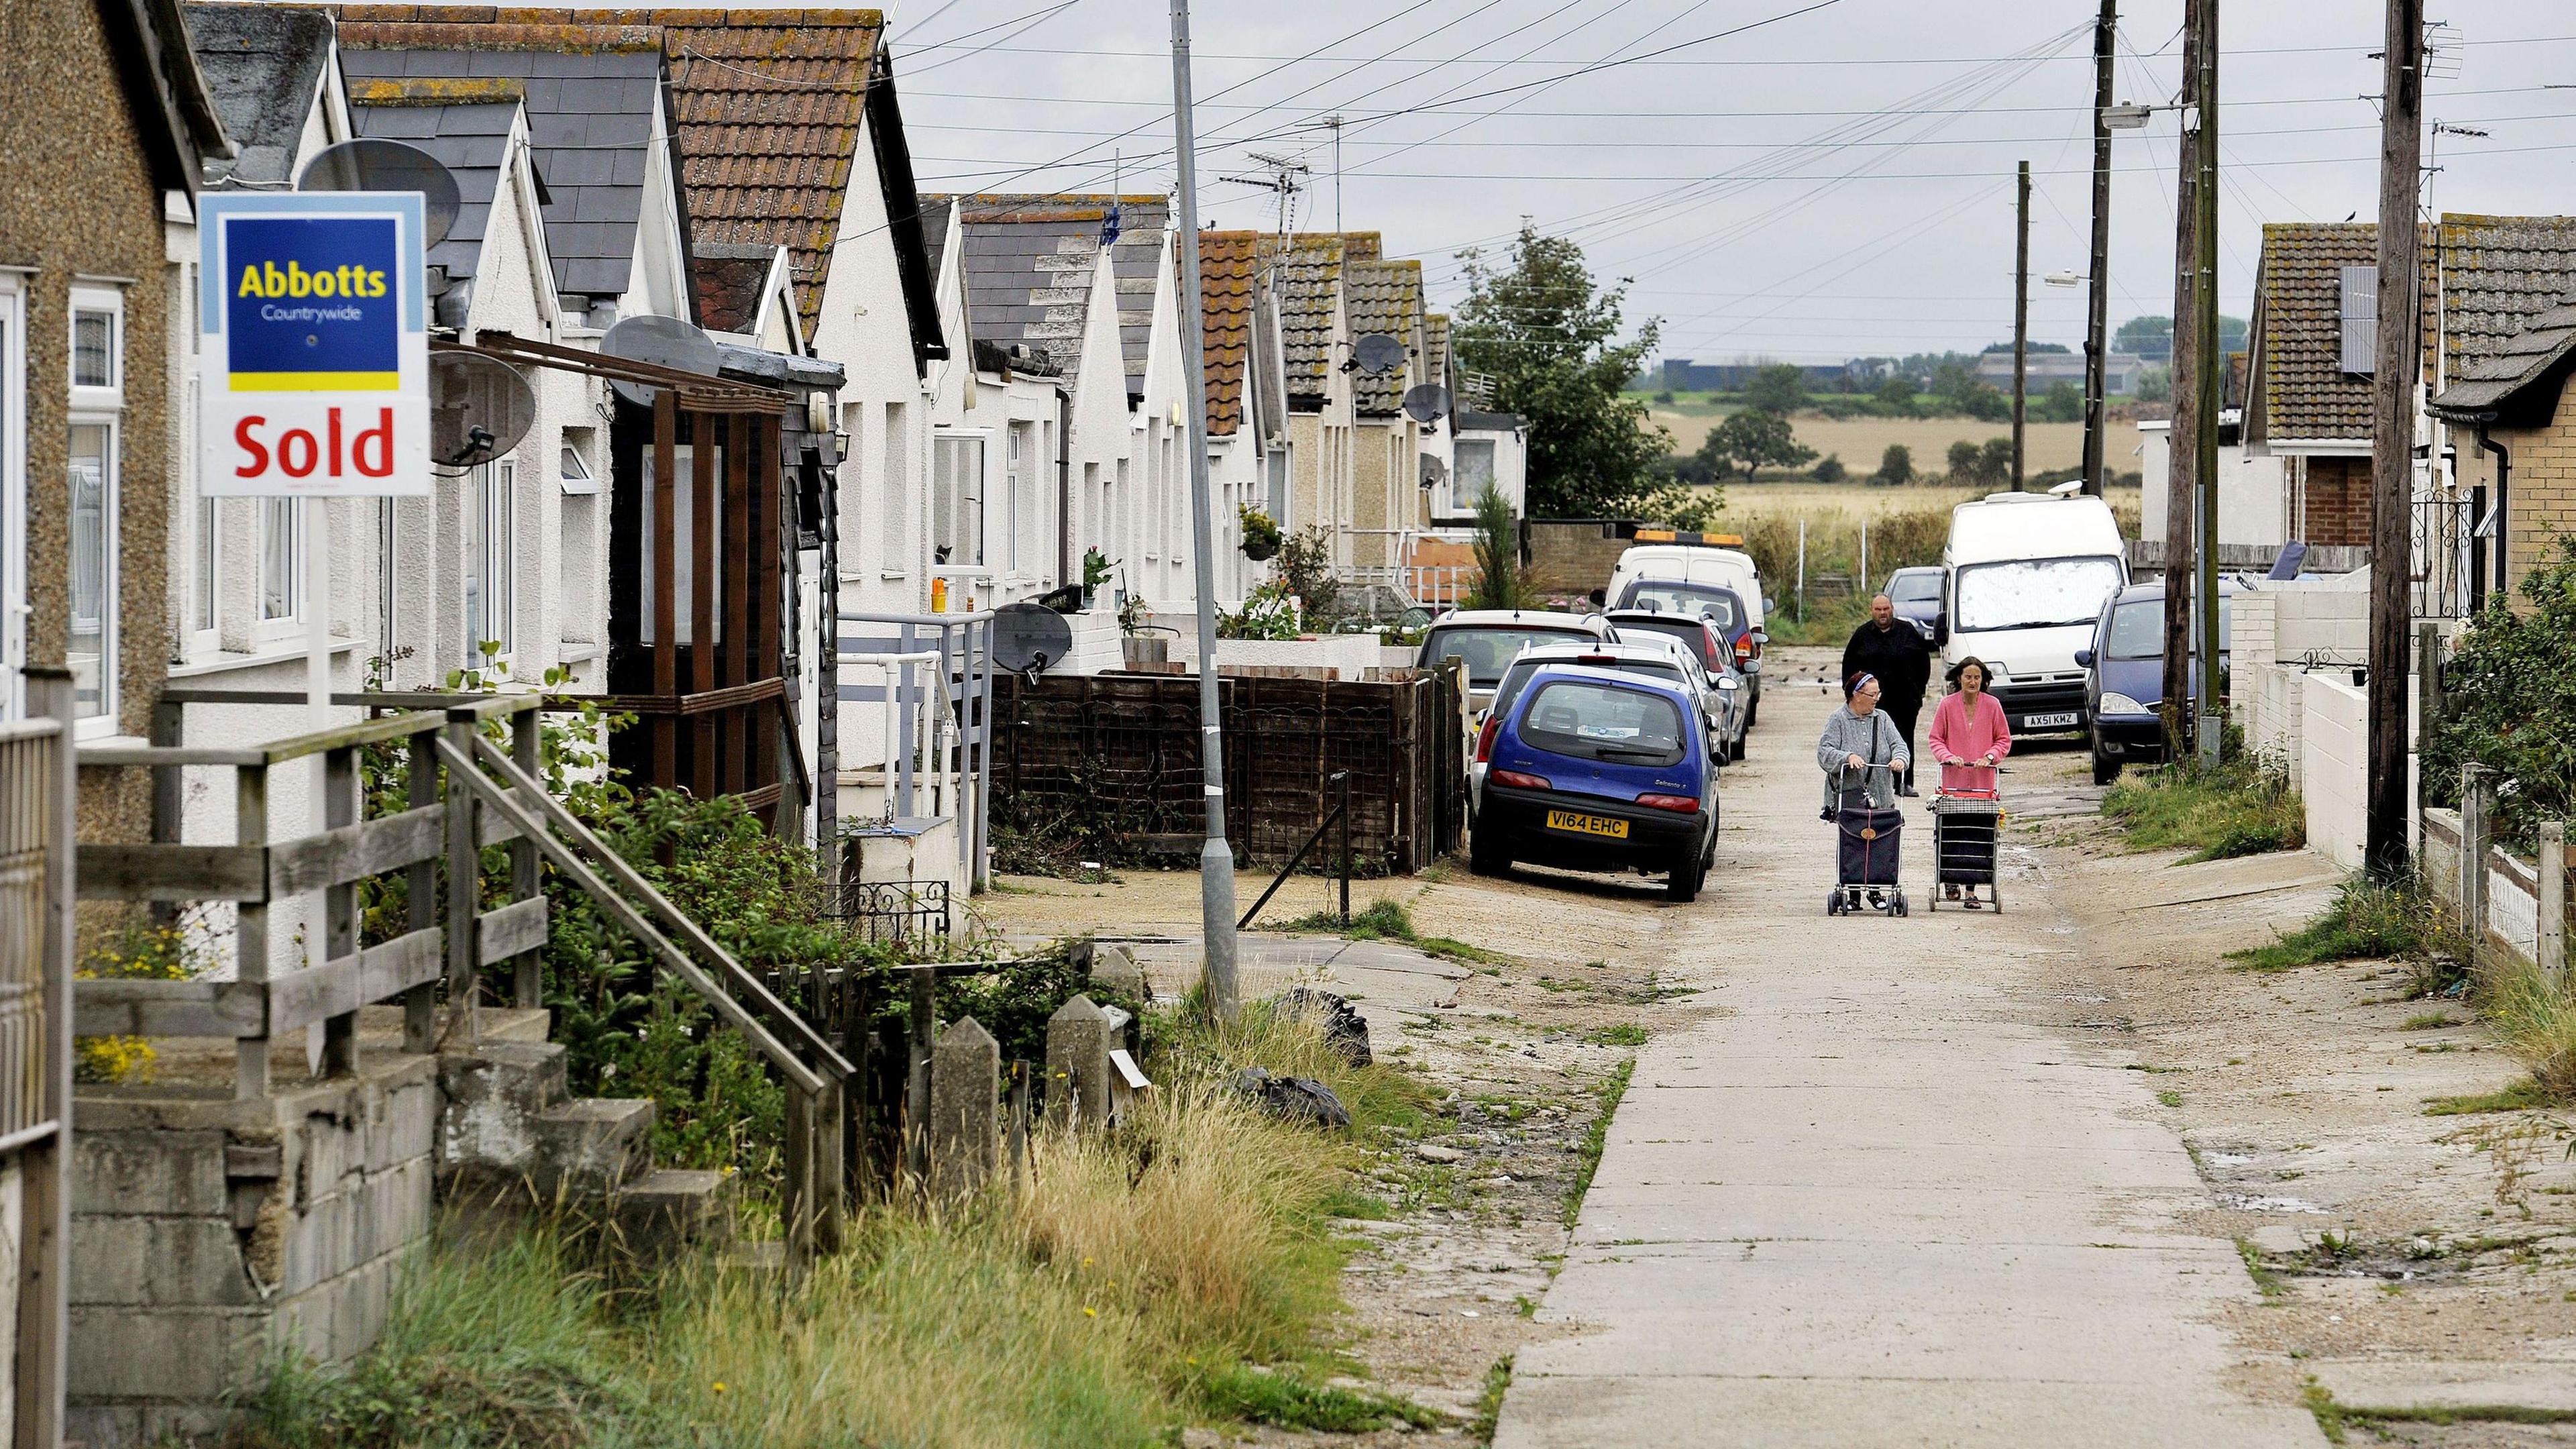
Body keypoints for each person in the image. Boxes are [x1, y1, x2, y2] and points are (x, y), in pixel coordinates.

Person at [1841, 593, 1931, 795]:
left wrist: (1919, 692)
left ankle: (1904, 783)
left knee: (1904, 739)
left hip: (1905, 700)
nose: (1883, 613)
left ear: (1892, 609)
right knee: (1872, 742)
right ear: (1872, 611)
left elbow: (1923, 663)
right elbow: (1849, 669)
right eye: (1878, 610)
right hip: (1871, 702)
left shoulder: (1907, 632)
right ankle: (1871, 784)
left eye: (1886, 609)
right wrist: (1852, 698)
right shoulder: (1862, 635)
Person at [1817, 671, 1910, 819]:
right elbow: (1824, 752)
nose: (1876, 699)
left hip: (1882, 799)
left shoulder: (1883, 718)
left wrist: (1900, 759)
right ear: (1857, 695)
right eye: (1872, 695)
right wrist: (1848, 757)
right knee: (1852, 841)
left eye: (1878, 694)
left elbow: (1899, 745)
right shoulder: (1838, 719)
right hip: (1850, 801)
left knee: (1883, 840)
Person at [1927, 655, 2013, 795]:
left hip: (1983, 786)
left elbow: (2004, 740)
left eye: (1977, 678)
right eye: (1968, 677)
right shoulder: (1947, 705)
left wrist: (1989, 757)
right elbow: (1936, 739)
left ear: (1982, 680)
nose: (1973, 682)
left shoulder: (1993, 705)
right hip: (1953, 785)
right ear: (1960, 678)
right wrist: (1948, 757)